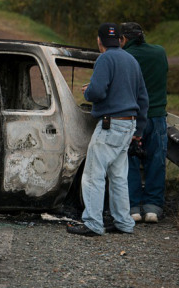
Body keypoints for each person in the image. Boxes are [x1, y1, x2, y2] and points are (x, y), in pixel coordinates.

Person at [67, 23, 148, 237]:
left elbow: (98, 92)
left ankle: (93, 223)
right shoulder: (131, 60)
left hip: (110, 124)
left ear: (99, 40)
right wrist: (138, 130)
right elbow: (142, 98)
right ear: (119, 39)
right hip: (128, 124)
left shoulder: (104, 59)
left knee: (94, 175)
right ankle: (123, 222)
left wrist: (88, 91)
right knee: (118, 176)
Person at [121, 22, 168, 224]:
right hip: (157, 116)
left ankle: (132, 207)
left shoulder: (125, 57)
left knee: (130, 162)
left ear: (124, 39)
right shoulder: (160, 53)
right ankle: (153, 208)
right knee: (156, 161)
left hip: (133, 117)